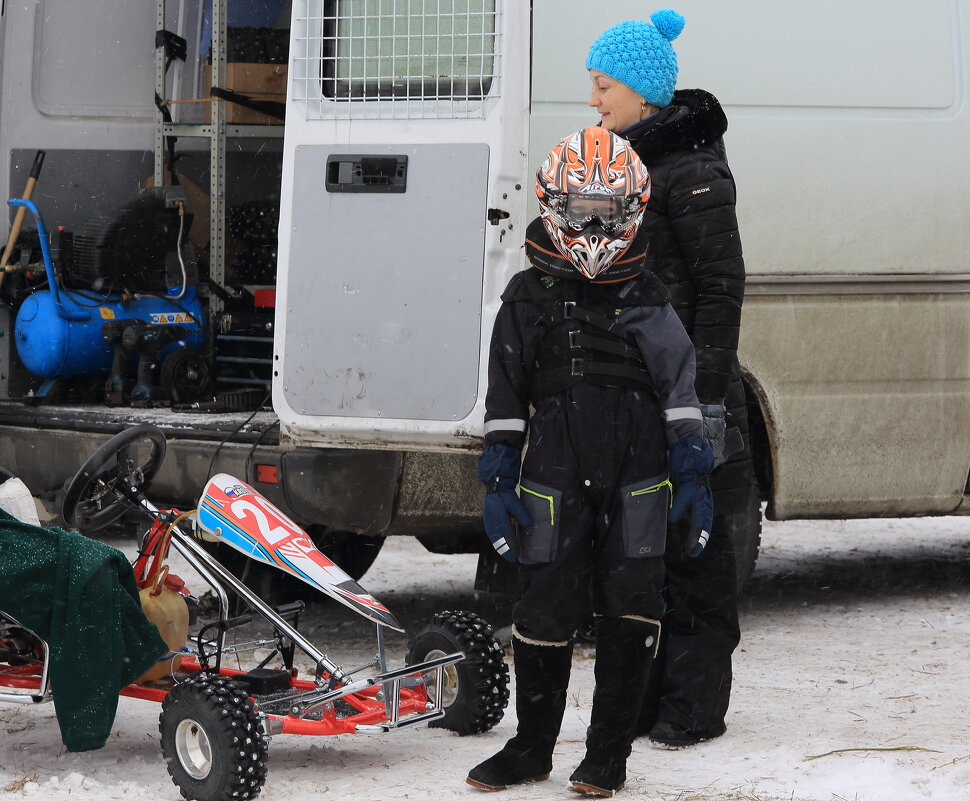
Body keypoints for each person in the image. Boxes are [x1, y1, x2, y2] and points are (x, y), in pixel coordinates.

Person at [466, 126, 714, 797]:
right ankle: (529, 747)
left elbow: (679, 386)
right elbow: (506, 390)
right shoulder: (528, 294)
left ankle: (607, 755)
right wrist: (496, 473)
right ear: (554, 205)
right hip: (551, 464)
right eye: (582, 209)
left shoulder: (650, 294)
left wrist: (693, 466)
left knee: (633, 601)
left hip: (640, 467)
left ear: (632, 210)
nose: (595, 223)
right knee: (543, 599)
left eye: (608, 210)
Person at [584, 9, 753, 748]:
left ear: (642, 91)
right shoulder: (625, 166)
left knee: (698, 552)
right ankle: (649, 701)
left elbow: (722, 288)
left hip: (693, 398)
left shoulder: (692, 170)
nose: (594, 101)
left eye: (602, 86)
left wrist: (708, 401)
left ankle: (693, 707)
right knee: (644, 554)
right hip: (640, 394)